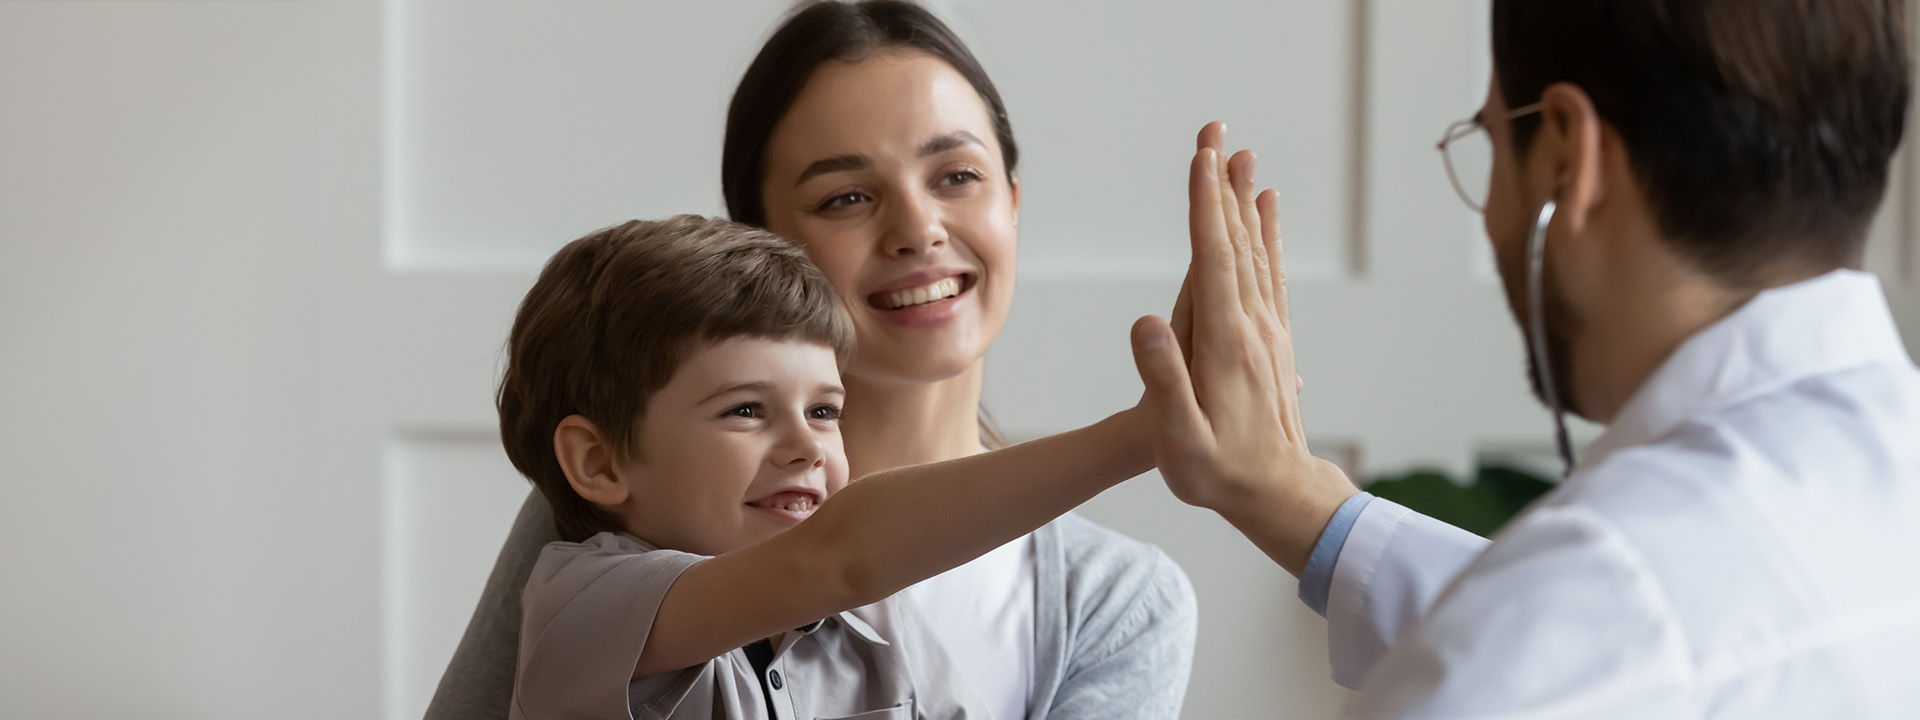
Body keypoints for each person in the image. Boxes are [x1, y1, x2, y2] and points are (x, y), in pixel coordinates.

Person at [1132, 1, 1920, 717]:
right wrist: (1298, 503)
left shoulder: (1565, 627)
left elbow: (1577, 638)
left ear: (1567, 159)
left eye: (1489, 142)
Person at [425, 4, 1197, 720]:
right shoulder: (610, 529)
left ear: (1013, 199)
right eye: (844, 198)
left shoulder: (1111, 600)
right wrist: (1145, 432)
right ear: (758, 239)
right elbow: (848, 553)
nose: (917, 229)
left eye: (956, 175)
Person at [501, 215, 1164, 718]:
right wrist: (1141, 438)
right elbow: (840, 557)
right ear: (598, 462)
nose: (807, 447)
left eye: (824, 411)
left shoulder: (876, 630)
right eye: (745, 411)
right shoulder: (584, 604)